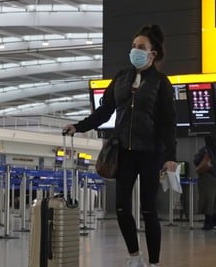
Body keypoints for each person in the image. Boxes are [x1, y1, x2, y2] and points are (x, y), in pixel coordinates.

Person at [63, 24, 177, 267]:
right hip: (123, 151)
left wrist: (170, 156)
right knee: (121, 206)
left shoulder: (160, 82)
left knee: (149, 209)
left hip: (150, 153)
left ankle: (154, 262)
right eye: (134, 46)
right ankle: (134, 256)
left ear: (153, 53)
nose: (135, 50)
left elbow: (168, 122)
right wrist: (78, 126)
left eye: (141, 47)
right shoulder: (122, 78)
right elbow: (104, 112)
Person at [193, 135, 216, 230]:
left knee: (206, 200)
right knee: (212, 200)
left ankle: (208, 222)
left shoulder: (204, 150)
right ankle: (211, 221)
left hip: (205, 178)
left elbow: (196, 161)